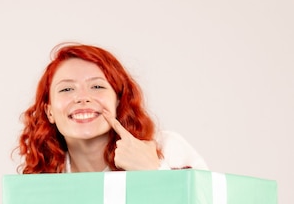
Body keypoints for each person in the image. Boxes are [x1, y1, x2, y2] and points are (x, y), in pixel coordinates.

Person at [17, 43, 208, 174]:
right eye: (67, 89)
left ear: (118, 101)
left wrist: (155, 171)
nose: (82, 97)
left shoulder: (166, 147)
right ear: (49, 111)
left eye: (97, 86)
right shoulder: (43, 177)